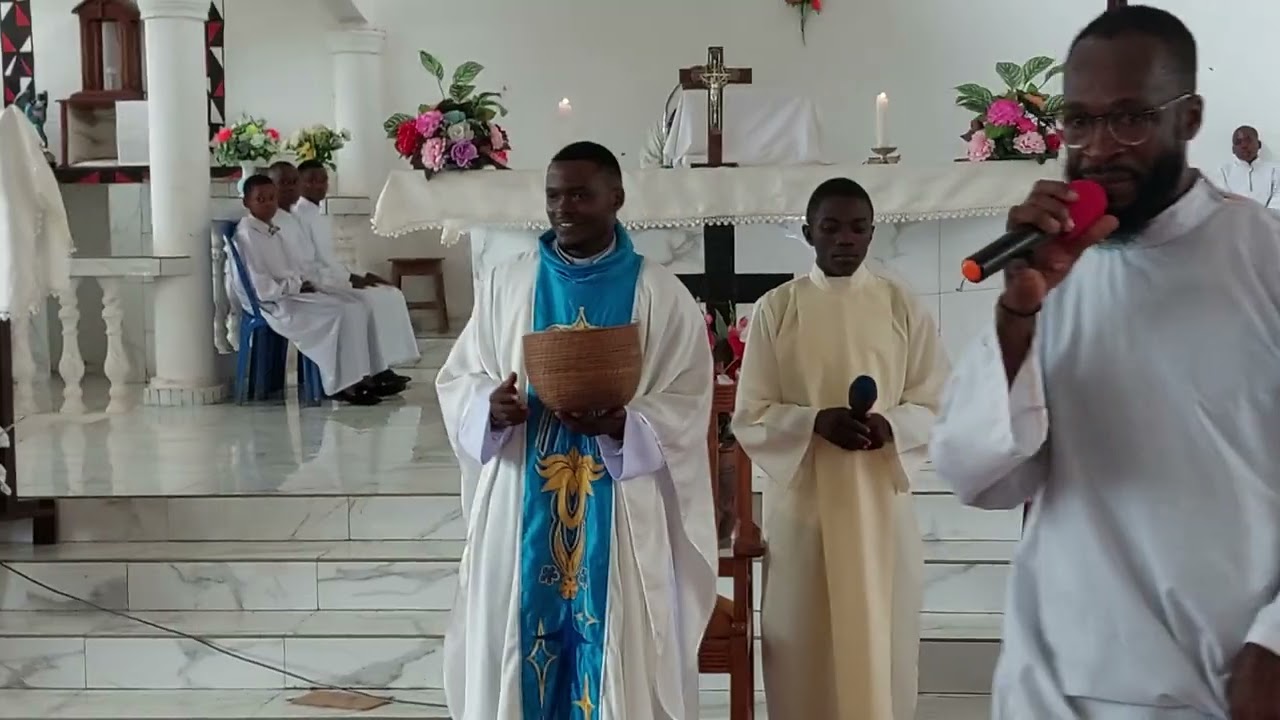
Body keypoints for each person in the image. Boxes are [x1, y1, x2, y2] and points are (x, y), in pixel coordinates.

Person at [929, 6, 1280, 719]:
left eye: (1129, 118)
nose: (1096, 149)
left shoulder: (1261, 256)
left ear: (1189, 119)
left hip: (1222, 681)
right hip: (1054, 680)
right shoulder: (1051, 267)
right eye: (1079, 121)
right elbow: (974, 472)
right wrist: (1019, 311)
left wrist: (1277, 645)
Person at [435, 141, 717, 719]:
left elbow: (690, 398)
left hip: (620, 507)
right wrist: (490, 408)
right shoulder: (506, 285)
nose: (565, 207)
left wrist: (629, 426)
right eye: (554, 195)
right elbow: (460, 376)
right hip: (522, 493)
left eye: (581, 195)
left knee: (615, 649)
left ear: (616, 198)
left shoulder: (659, 292)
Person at [731, 178, 949, 720]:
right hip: (805, 507)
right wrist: (814, 423)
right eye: (830, 227)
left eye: (857, 227)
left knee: (881, 642)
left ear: (874, 232)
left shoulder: (901, 306)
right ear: (808, 233)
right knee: (803, 645)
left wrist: (891, 428)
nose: (845, 239)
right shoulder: (777, 309)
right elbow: (749, 413)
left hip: (880, 506)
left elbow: (938, 400)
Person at [231, 174, 380, 405]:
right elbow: (261, 286)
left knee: (355, 306)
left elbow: (292, 265)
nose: (269, 203)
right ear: (246, 203)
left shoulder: (271, 227)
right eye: (261, 199)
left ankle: (359, 377)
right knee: (339, 313)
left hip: (290, 293)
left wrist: (304, 283)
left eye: (272, 198)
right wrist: (295, 285)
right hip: (274, 303)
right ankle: (339, 384)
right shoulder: (247, 235)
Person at [291, 159, 418, 388]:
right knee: (369, 302)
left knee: (391, 294)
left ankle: (383, 365)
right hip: (321, 281)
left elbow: (333, 257)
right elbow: (311, 263)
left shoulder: (320, 214)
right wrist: (349, 280)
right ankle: (369, 373)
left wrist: (361, 274)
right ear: (299, 184)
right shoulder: (298, 215)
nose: (319, 186)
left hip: (335, 275)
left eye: (323, 180)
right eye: (311, 181)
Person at [1216, 125, 1280, 211]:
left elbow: (1277, 202)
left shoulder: (1275, 170)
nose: (1244, 145)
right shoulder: (1223, 171)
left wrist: (1263, 219)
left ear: (1259, 144)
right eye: (1238, 142)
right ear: (1233, 149)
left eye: (1248, 140)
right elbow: (1223, 202)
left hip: (1269, 221)